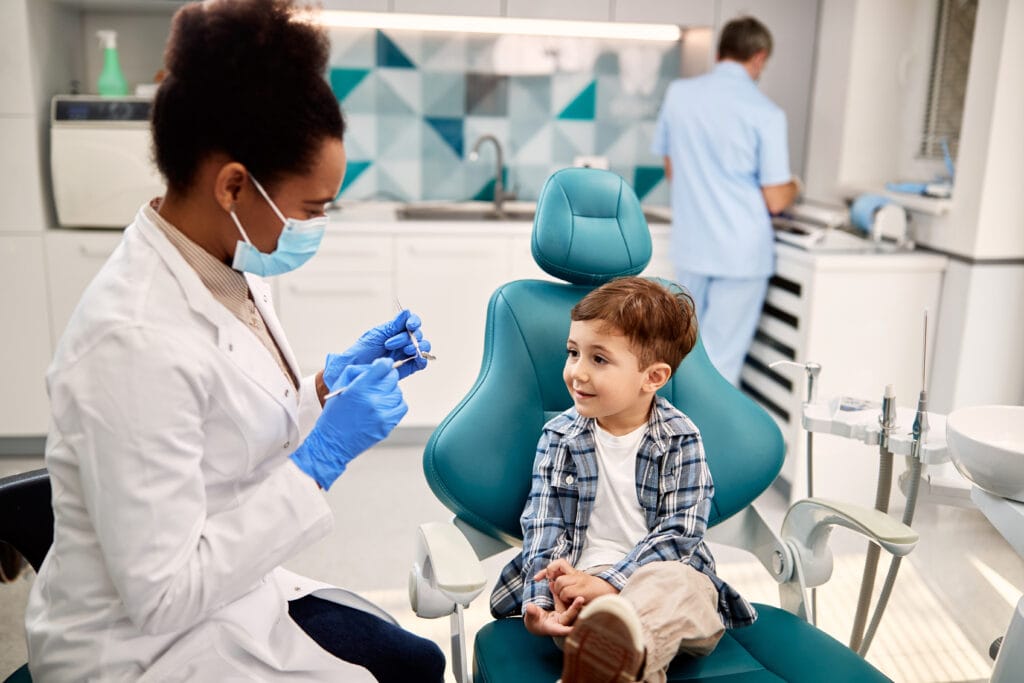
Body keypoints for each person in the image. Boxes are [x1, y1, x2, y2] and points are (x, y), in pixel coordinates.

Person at [24, 1, 444, 681]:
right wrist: (319, 461)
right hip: (138, 647)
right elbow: (163, 595)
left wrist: (324, 387)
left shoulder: (226, 256)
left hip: (233, 592)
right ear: (234, 185)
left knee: (416, 660)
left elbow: (226, 429)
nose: (315, 226)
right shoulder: (130, 340)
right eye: (312, 208)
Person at [489, 277, 756, 683]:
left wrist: (609, 584)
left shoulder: (680, 439)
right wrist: (542, 602)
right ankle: (610, 662)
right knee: (592, 622)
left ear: (653, 377)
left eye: (599, 359)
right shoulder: (559, 437)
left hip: (669, 585)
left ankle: (609, 656)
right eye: (573, 352)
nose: (576, 371)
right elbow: (543, 526)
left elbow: (679, 535)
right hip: (586, 594)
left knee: (674, 589)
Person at [651, 16, 799, 386]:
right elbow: (777, 199)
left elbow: (672, 169)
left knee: (680, 352)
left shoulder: (679, 95)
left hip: (692, 247)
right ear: (759, 57)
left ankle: (673, 438)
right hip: (740, 253)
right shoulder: (766, 113)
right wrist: (796, 184)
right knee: (722, 361)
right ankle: (706, 442)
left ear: (719, 52)